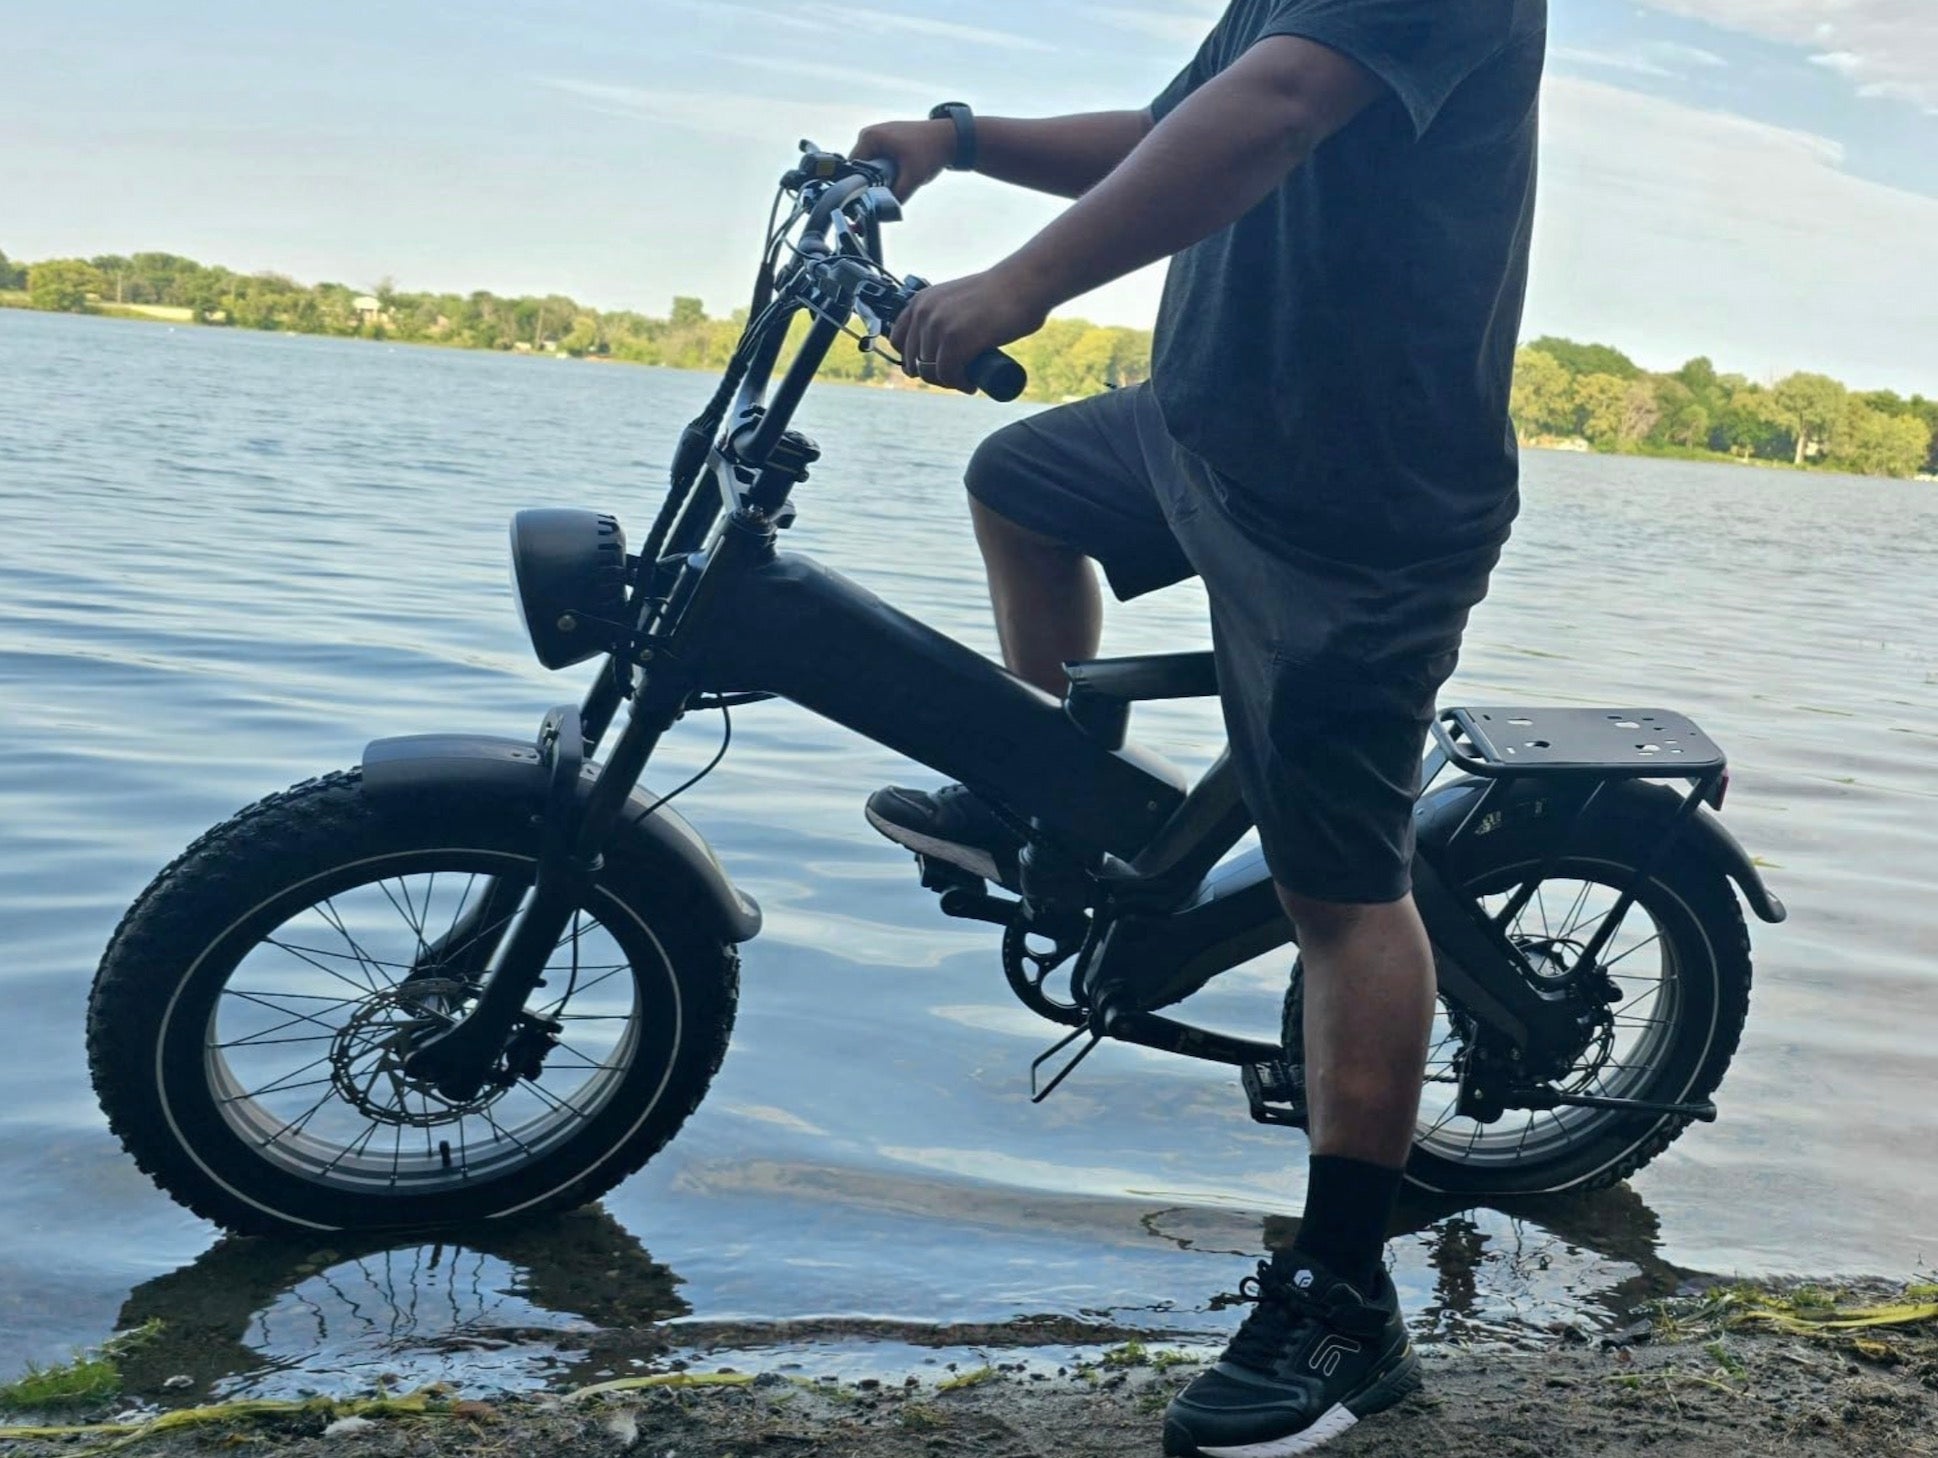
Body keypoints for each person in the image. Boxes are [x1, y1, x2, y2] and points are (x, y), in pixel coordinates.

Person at [852, 3, 1547, 1453]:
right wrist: (962, 141)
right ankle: (1056, 791)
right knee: (1021, 482)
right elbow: (1180, 127)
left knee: (1338, 891)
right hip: (1206, 424)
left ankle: (1343, 1304)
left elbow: (1278, 108)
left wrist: (1019, 286)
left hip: (1357, 501)